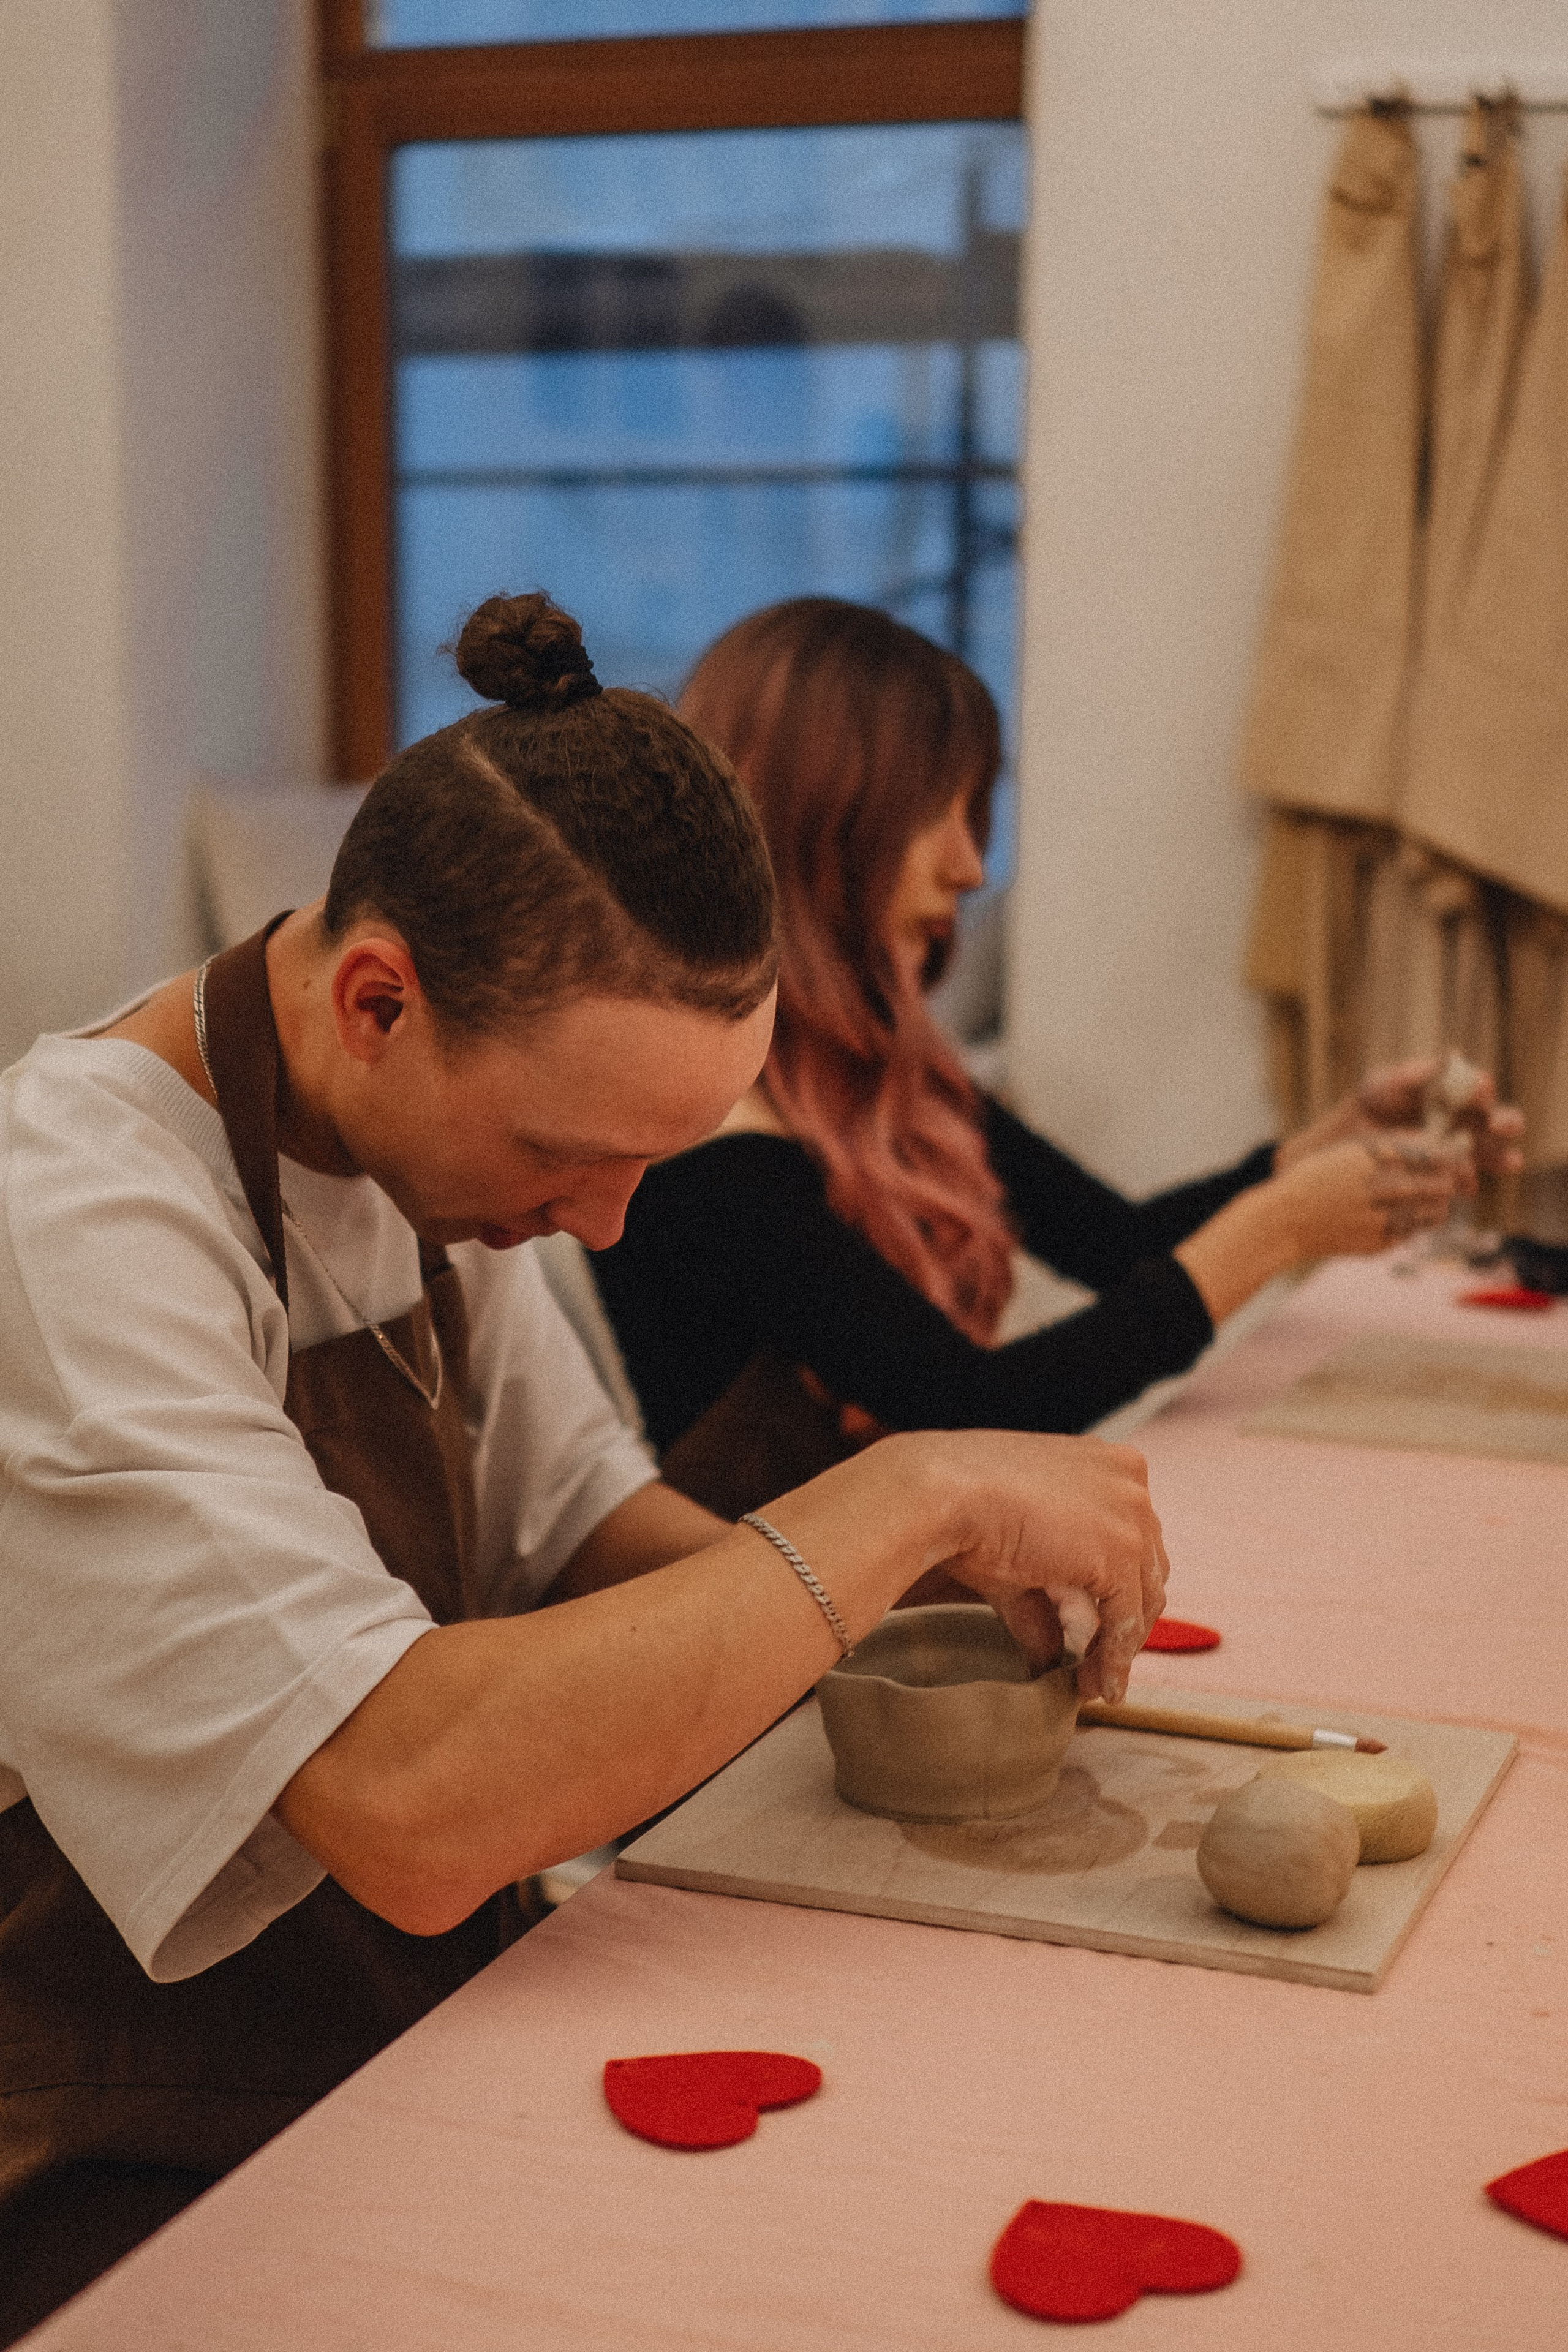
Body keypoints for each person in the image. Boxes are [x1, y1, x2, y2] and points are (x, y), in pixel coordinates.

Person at [0, 592, 1167, 2342]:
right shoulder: (76, 1220)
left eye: (655, 1163)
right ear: (378, 998)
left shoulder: (417, 1145)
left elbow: (584, 1531)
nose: (608, 1225)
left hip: (416, 2035)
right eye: (571, 1155)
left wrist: (912, 1606)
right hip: (121, 2135)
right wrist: (903, 1495)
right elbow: (405, 1804)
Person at [590, 597, 1525, 1517]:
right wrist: (1280, 1228)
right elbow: (971, 1409)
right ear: (816, 830)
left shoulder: (892, 1079)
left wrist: (1316, 1151)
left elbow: (1119, 1246)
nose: (967, 866)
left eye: (975, 815)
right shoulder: (710, 1149)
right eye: (936, 814)